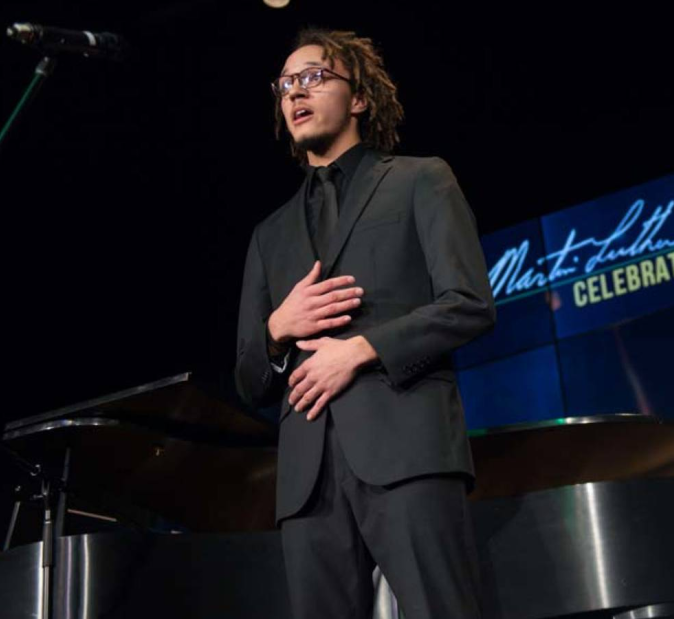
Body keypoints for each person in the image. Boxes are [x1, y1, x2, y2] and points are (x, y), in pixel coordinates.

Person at [234, 29, 495, 619]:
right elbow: (249, 379)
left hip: (408, 448)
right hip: (307, 478)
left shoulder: (420, 179)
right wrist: (276, 330)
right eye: (285, 85)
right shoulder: (268, 233)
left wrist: (360, 350)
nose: (295, 93)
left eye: (313, 77)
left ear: (358, 98)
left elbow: (470, 303)